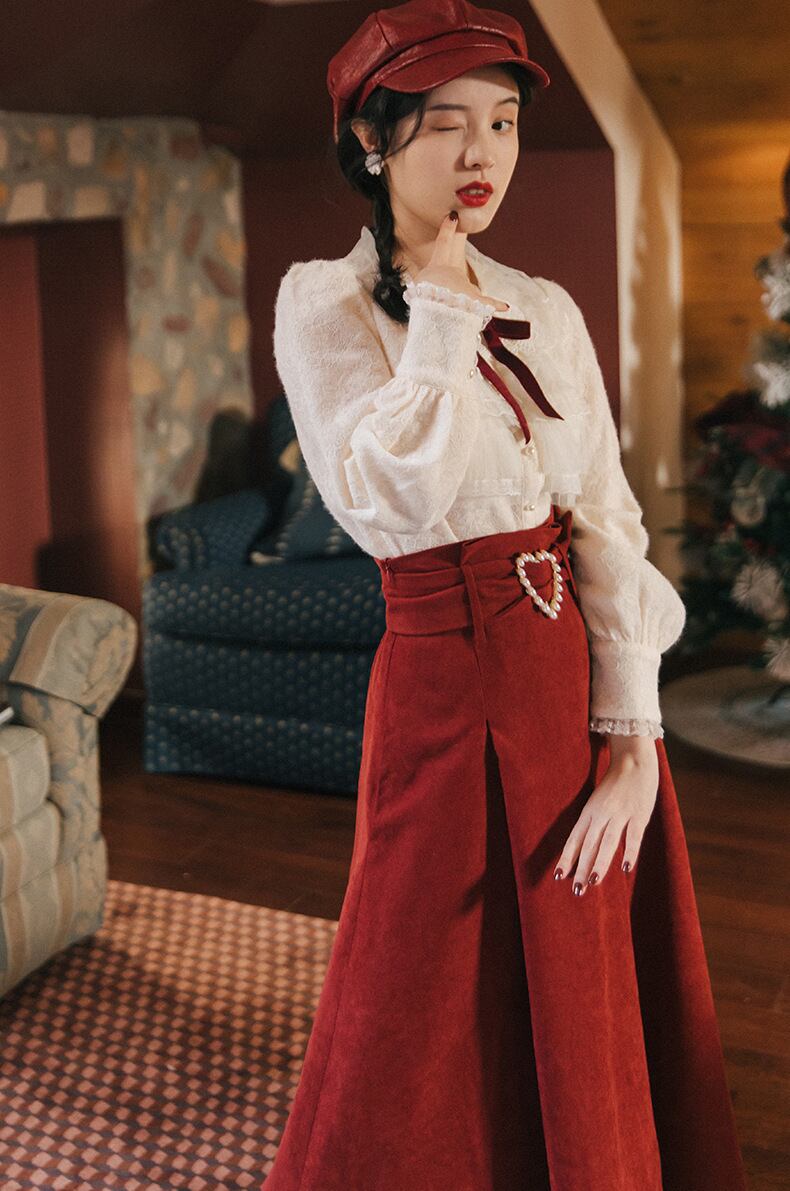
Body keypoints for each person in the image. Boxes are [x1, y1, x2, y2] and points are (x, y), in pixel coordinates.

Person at [261, 2, 749, 1188]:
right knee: (421, 1002)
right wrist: (436, 306)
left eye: (503, 122)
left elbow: (605, 518)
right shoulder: (322, 304)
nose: (482, 154)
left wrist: (631, 737)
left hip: (572, 687)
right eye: (444, 124)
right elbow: (390, 499)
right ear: (371, 140)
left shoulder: (550, 304)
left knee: (587, 976)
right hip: (443, 691)